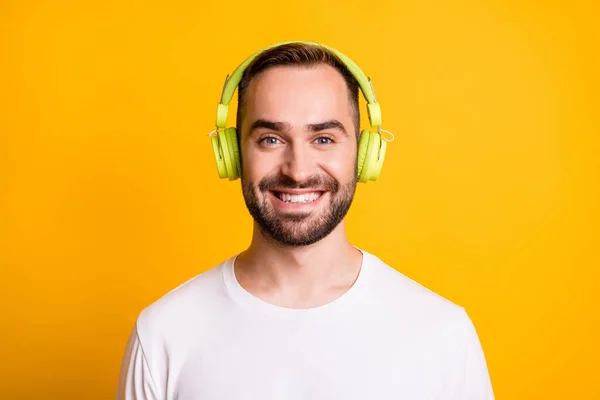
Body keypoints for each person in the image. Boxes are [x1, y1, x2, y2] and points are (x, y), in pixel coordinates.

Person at [116, 41, 495, 400]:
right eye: (271, 139)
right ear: (232, 154)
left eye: (324, 139)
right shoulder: (164, 334)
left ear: (364, 154)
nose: (298, 171)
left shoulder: (442, 334)